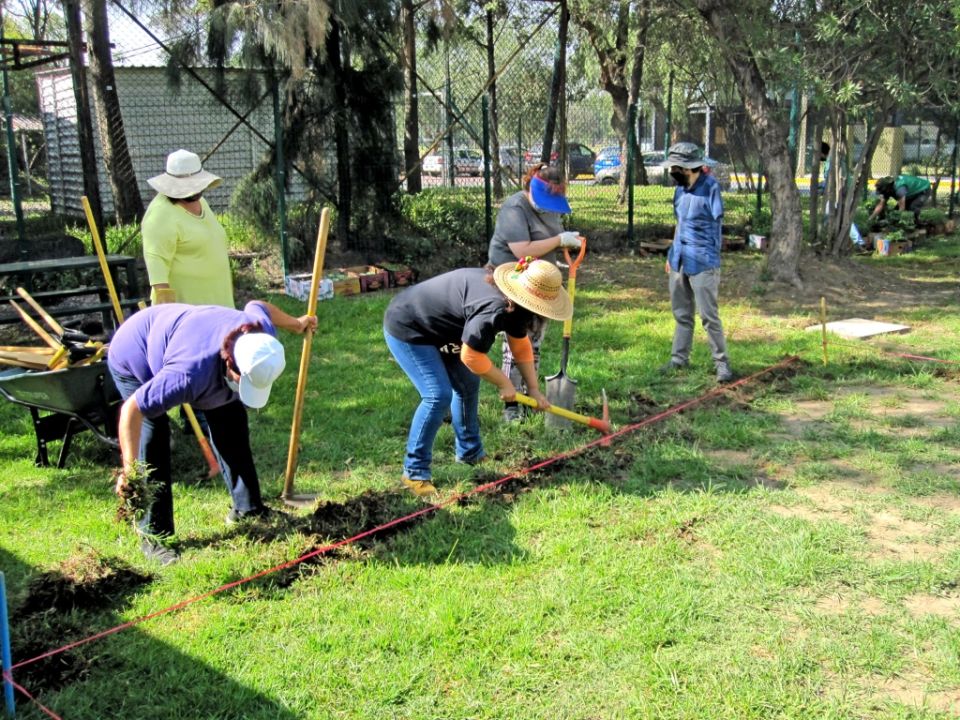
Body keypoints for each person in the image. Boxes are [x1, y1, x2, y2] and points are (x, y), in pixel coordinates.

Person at [108, 300, 317, 565]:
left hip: (181, 334)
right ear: (230, 363)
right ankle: (155, 537)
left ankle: (248, 509)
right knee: (154, 436)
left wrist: (296, 323)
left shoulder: (260, 335)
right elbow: (132, 411)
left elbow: (258, 305)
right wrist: (129, 471)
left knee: (231, 417)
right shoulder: (187, 374)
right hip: (133, 351)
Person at [384, 258, 572, 497]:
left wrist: (533, 389)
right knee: (437, 394)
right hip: (411, 326)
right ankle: (414, 472)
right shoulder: (495, 308)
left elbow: (521, 347)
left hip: (446, 330)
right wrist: (504, 383)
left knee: (467, 384)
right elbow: (471, 356)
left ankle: (470, 452)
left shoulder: (515, 305)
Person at [487, 163, 583, 421]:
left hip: (541, 281)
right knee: (516, 342)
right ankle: (512, 404)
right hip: (513, 280)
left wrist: (566, 244)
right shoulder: (514, 208)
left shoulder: (551, 206)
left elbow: (550, 238)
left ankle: (532, 397)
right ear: (529, 187)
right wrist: (559, 240)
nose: (547, 206)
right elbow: (521, 250)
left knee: (535, 343)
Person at [659, 141, 734, 384]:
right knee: (682, 313)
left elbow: (717, 228)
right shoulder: (679, 191)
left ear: (690, 168)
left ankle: (722, 365)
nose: (673, 173)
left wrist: (711, 262)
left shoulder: (711, 188)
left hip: (703, 261)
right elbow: (679, 223)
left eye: (677, 169)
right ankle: (679, 359)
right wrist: (673, 254)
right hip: (679, 260)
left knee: (709, 317)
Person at [142, 149, 234, 307]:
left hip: (219, 307)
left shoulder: (200, 202)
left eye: (197, 184)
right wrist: (169, 316)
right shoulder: (160, 215)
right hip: (188, 316)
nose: (195, 189)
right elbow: (158, 276)